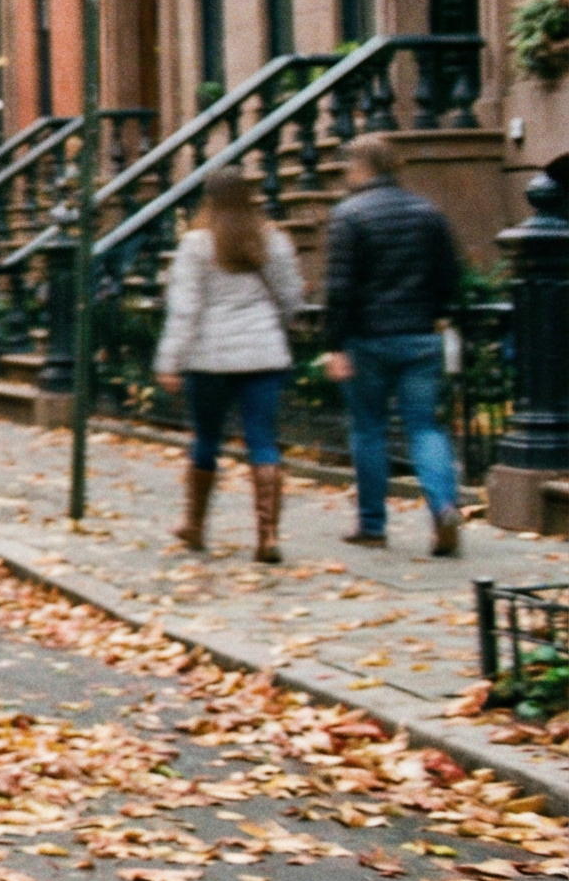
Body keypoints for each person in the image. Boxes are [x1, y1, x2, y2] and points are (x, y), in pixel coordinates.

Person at [320, 135, 466, 557]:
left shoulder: (348, 215)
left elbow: (340, 288)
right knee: (425, 427)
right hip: (419, 336)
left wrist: (334, 345)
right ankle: (443, 505)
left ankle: (372, 526)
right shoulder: (427, 212)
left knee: (369, 429)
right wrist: (432, 314)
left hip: (367, 339)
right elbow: (449, 277)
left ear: (362, 167)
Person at [152, 169, 305, 563]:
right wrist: (273, 326)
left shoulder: (196, 245)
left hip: (210, 358)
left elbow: (184, 309)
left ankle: (195, 524)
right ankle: (267, 536)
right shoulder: (272, 240)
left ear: (209, 200)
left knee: (206, 438)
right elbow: (291, 296)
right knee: (263, 439)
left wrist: (170, 360)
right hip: (264, 354)